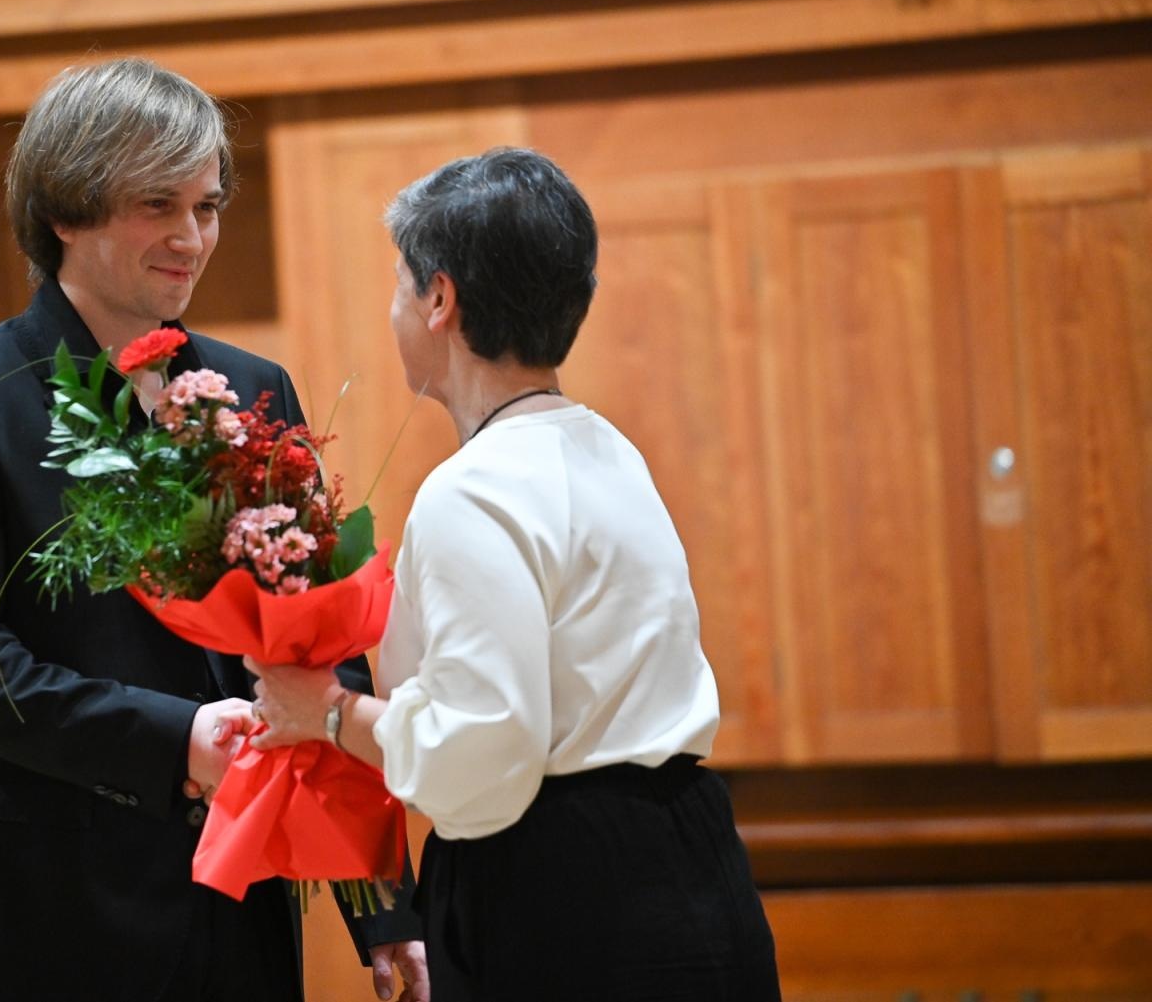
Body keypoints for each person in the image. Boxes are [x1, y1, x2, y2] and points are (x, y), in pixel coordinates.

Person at [0, 57, 425, 1002]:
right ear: (66, 209)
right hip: (47, 916)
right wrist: (176, 740)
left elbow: (320, 648)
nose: (192, 237)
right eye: (157, 205)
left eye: (207, 206)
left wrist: (381, 907)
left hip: (236, 913)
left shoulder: (257, 387)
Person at [247, 147, 782, 1000]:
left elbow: (482, 758)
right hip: (689, 861)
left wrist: (330, 711)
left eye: (399, 281)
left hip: (566, 903)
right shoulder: (611, 449)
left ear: (440, 298)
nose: (394, 306)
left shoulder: (474, 490)